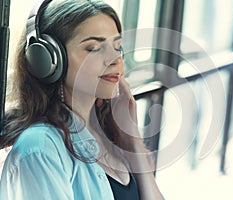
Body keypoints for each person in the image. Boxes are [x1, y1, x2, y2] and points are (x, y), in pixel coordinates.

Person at [0, 0, 164, 199]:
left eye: (117, 46)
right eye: (94, 48)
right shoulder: (40, 149)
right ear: (48, 59)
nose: (115, 59)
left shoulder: (108, 135)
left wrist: (133, 143)